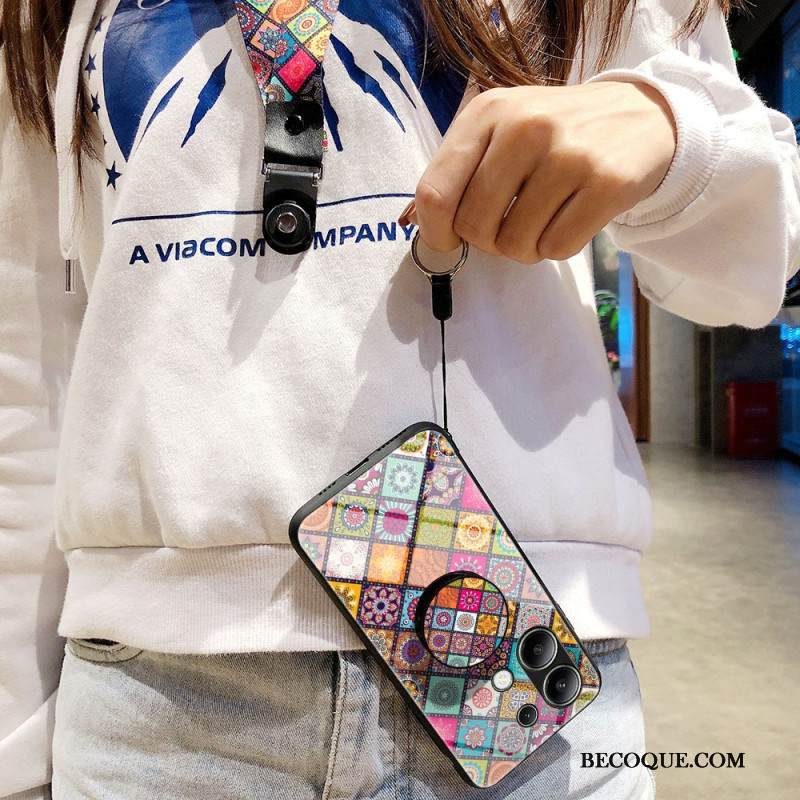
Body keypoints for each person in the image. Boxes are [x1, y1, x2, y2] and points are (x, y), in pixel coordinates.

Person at [0, 0, 797, 798]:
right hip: (160, 707)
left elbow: (753, 264)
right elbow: (26, 374)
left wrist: (671, 130)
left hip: (523, 673)